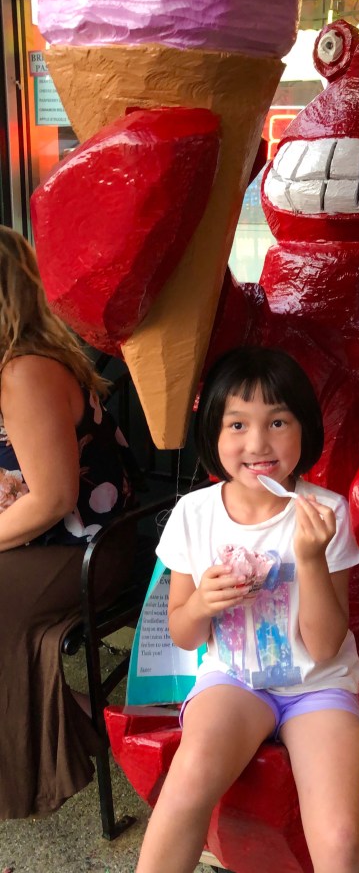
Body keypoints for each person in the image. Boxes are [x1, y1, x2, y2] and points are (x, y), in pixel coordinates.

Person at [136, 346, 359, 873]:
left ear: (305, 429)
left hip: (318, 688)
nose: (258, 443)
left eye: (278, 422)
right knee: (185, 787)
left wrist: (309, 558)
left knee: (339, 837)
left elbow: (325, 646)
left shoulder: (326, 512)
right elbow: (183, 634)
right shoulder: (194, 514)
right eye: (237, 424)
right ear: (213, 435)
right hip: (233, 680)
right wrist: (202, 602)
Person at [0, 226, 132, 819]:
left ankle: (77, 730)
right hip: (53, 541)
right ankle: (68, 721)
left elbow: (53, 499)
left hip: (86, 548)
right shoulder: (20, 362)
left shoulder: (25, 373)